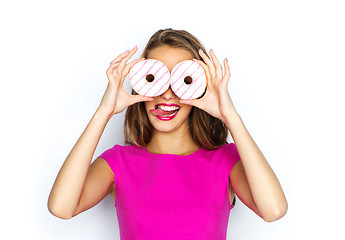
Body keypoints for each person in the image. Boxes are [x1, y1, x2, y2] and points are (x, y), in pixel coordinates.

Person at [48, 29, 287, 239]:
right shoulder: (118, 162)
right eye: (154, 79)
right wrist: (104, 112)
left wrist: (230, 115)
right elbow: (61, 207)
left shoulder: (226, 160)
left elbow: (274, 210)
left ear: (200, 86)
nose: (167, 94)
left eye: (182, 80)